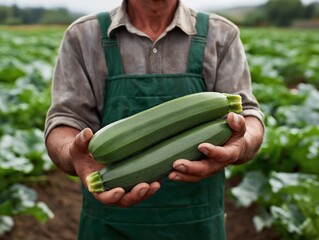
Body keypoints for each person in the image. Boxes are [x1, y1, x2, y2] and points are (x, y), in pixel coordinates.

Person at [44, 0, 264, 239]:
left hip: (196, 225)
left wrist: (242, 141)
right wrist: (72, 154)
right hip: (109, 225)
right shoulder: (82, 35)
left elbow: (248, 115)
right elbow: (65, 119)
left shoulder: (222, 34)